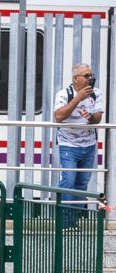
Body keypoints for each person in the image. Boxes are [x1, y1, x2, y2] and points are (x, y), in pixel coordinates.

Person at [53, 63, 104, 227]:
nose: (91, 78)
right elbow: (59, 116)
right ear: (75, 78)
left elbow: (98, 118)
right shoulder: (64, 94)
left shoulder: (96, 93)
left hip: (89, 145)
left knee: (81, 184)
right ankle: (64, 223)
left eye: (91, 75)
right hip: (68, 144)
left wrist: (89, 116)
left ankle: (73, 222)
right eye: (86, 76)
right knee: (68, 180)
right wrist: (78, 98)